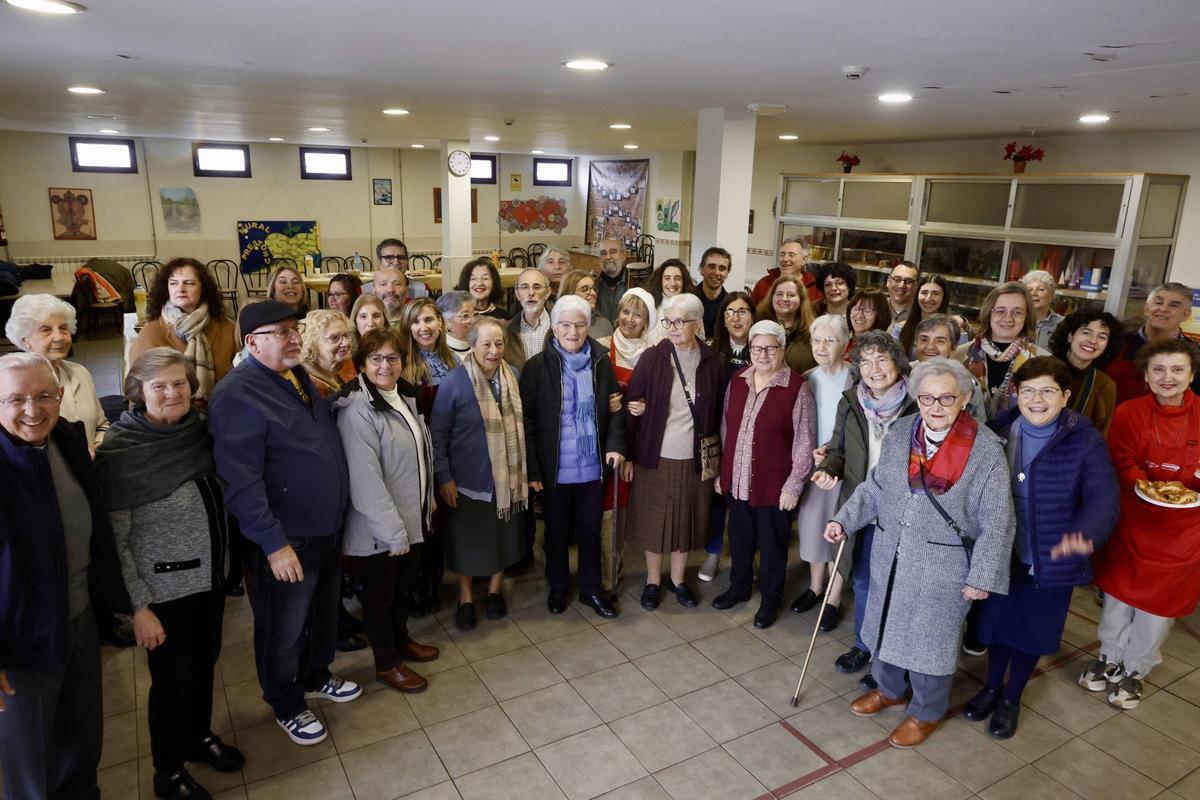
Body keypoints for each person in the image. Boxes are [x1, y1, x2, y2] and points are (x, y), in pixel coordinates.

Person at [827, 357, 1015, 748]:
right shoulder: (902, 433)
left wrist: (982, 577)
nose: (934, 407)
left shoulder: (984, 450)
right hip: (892, 550)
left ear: (964, 398)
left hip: (943, 563)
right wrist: (845, 520)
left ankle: (926, 712)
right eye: (926, 398)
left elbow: (998, 519)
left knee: (931, 640)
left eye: (946, 398)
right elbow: (877, 487)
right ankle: (889, 689)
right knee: (884, 624)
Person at [97, 348, 247, 799]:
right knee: (172, 683)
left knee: (205, 667)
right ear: (138, 394)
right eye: (159, 386)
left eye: (179, 383)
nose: (172, 392)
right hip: (163, 594)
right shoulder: (122, 453)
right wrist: (137, 608)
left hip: (211, 580)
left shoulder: (199, 433)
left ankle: (198, 737)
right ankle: (168, 770)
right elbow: (116, 541)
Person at [208, 301, 359, 746]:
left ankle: (316, 675)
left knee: (322, 612)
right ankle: (285, 701)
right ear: (252, 342)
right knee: (282, 627)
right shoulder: (236, 394)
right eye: (281, 332)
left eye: (295, 329)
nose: (295, 338)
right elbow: (240, 482)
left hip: (325, 525)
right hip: (287, 535)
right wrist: (274, 545)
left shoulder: (293, 375)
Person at [961, 356, 1118, 738]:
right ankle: (991, 687)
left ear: (1065, 396)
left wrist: (1085, 532)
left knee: (1030, 633)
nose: (1036, 400)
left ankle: (1012, 697)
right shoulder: (998, 428)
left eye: (1048, 391)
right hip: (1001, 551)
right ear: (1016, 393)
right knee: (997, 627)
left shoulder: (1084, 437)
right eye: (1028, 390)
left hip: (1049, 556)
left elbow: (1104, 497)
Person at [0, 352, 130, 800]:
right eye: (15, 399)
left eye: (44, 396)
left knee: (82, 739)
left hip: (79, 617)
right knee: (32, 762)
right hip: (21, 640)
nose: (32, 410)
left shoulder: (67, 442)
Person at [1083, 339, 1200, 710]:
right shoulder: (1129, 412)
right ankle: (1109, 656)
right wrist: (1149, 485)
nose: (1168, 378)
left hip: (1185, 532)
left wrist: (1184, 487)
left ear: (1191, 375)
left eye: (1177, 370)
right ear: (1147, 376)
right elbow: (1120, 459)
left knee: (1157, 608)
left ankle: (1135, 668)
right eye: (1159, 370)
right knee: (1118, 597)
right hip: (1134, 522)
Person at [334, 327, 441, 694]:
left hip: (409, 519)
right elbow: (367, 484)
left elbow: (418, 457)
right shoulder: (357, 411)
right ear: (362, 364)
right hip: (380, 529)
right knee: (379, 598)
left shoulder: (403, 397)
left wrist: (428, 501)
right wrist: (393, 534)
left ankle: (401, 641)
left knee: (401, 590)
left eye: (392, 357)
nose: (385, 365)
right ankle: (386, 662)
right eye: (376, 358)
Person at [810, 332, 917, 668]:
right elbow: (838, 450)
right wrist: (828, 468)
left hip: (905, 511)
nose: (874, 368)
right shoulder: (851, 401)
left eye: (881, 359)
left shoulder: (917, 403)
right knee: (863, 580)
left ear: (897, 364)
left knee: (899, 586)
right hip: (862, 505)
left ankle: (890, 659)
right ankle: (864, 646)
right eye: (866, 361)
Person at [521, 295, 627, 618]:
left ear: (587, 327)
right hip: (555, 469)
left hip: (592, 466)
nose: (573, 331)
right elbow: (526, 422)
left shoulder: (600, 360)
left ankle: (591, 589)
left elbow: (616, 408)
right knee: (555, 531)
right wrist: (534, 468)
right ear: (553, 328)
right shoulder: (537, 368)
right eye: (565, 324)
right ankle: (557, 586)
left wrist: (615, 444)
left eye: (579, 325)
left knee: (589, 530)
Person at [711, 320, 816, 628]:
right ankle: (739, 587)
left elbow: (804, 441)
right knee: (740, 538)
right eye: (756, 348)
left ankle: (770, 600)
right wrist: (722, 472)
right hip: (737, 479)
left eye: (770, 348)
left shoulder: (797, 387)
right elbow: (725, 428)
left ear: (782, 349)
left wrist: (793, 485)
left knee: (772, 547)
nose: (762, 354)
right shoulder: (738, 381)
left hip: (774, 485)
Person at [625, 293, 722, 609]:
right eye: (668, 321)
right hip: (655, 454)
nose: (673, 327)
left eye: (680, 321)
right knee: (655, 520)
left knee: (686, 519)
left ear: (696, 323)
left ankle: (679, 580)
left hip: (695, 457)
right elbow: (633, 402)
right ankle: (653, 580)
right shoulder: (653, 357)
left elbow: (719, 409)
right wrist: (634, 413)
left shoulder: (711, 361)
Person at [431, 317, 528, 631]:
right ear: (471, 347)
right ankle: (466, 597)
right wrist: (444, 477)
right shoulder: (454, 383)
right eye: (485, 343)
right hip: (468, 482)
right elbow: (439, 435)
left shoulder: (512, 376)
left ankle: (495, 590)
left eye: (498, 343)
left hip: (507, 481)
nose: (493, 350)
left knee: (502, 537)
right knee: (467, 543)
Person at [398, 299, 460, 617]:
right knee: (420, 524)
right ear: (407, 328)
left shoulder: (452, 362)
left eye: (430, 319)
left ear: (441, 323)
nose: (424, 327)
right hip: (417, 458)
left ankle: (433, 583)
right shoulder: (403, 368)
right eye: (417, 322)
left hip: (447, 453)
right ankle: (416, 587)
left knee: (439, 526)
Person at [792, 314, 853, 628]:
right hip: (814, 467)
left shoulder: (857, 379)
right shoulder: (807, 378)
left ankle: (833, 596)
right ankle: (815, 586)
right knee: (813, 526)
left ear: (844, 343)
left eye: (830, 340)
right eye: (817, 340)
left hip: (846, 469)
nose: (822, 346)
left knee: (839, 530)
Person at [599, 288, 656, 597]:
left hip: (641, 443)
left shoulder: (655, 353)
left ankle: (619, 562)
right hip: (607, 441)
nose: (629, 319)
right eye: (625, 312)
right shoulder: (601, 348)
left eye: (638, 314)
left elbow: (664, 399)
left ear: (647, 320)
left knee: (625, 508)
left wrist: (647, 407)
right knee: (607, 507)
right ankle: (607, 574)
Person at [699, 290, 757, 583]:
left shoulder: (761, 352)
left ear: (753, 317)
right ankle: (713, 552)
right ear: (722, 318)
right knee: (718, 499)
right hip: (717, 437)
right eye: (730, 312)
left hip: (751, 439)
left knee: (746, 500)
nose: (736, 318)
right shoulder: (711, 353)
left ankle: (744, 555)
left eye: (743, 311)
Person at [5, 294, 110, 453]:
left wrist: (97, 446)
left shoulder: (80, 373)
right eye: (46, 330)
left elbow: (101, 425)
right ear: (25, 339)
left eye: (63, 328)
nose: (59, 337)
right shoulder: (12, 386)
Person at [130, 257, 240, 401]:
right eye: (174, 283)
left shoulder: (227, 327)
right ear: (166, 288)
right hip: (172, 415)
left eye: (189, 283)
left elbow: (243, 375)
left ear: (203, 288)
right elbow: (136, 391)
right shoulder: (151, 332)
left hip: (223, 407)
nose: (180, 289)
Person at [957, 281, 1045, 419]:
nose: (1008, 318)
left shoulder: (1042, 361)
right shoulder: (960, 356)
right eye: (1000, 311)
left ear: (1027, 316)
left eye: (1017, 312)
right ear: (989, 313)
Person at [1105, 282, 1200, 404]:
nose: (1163, 309)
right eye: (1158, 302)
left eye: (1174, 305)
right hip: (1112, 419)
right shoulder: (1117, 341)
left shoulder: (1194, 354)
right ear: (1146, 308)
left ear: (1186, 315)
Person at [1047, 309, 1123, 434]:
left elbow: (1099, 436)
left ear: (1107, 346)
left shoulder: (1105, 385)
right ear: (1070, 336)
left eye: (1102, 337)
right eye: (1086, 332)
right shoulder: (1040, 367)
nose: (1093, 341)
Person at [915, 315, 987, 422]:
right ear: (915, 343)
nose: (930, 346)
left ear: (953, 348)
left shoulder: (967, 385)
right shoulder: (903, 376)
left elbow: (979, 430)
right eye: (924, 339)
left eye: (940, 341)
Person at [757, 275, 816, 373]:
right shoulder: (758, 327)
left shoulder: (812, 333)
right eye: (779, 294)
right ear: (772, 297)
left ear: (801, 300)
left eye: (791, 295)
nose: (784, 299)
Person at [898, 274, 967, 353]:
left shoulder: (956, 331)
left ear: (944, 298)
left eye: (935, 293)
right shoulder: (900, 328)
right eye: (924, 292)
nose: (928, 298)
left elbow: (961, 361)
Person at [300, 309, 356, 398]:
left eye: (346, 335)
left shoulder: (346, 362)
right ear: (312, 345)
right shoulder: (304, 382)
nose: (346, 343)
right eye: (334, 338)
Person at [505, 267, 552, 369]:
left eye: (537, 287)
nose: (531, 293)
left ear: (547, 293)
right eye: (524, 287)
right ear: (517, 294)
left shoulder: (560, 327)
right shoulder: (505, 331)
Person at [751, 237, 818, 306]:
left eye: (791, 255)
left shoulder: (813, 287)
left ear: (804, 259)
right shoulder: (764, 283)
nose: (785, 259)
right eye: (782, 255)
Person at [646, 258, 695, 345]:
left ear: (684, 282)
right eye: (667, 278)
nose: (672, 283)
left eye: (677, 278)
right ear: (660, 281)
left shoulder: (693, 308)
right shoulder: (650, 305)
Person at [561, 269, 615, 339]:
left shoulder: (604, 325)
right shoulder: (558, 325)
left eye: (594, 289)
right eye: (584, 289)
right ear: (569, 294)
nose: (593, 293)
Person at [693, 247, 732, 339]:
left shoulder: (731, 304)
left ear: (727, 273)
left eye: (722, 268)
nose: (717, 272)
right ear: (701, 269)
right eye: (712, 266)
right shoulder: (688, 299)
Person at [1021, 270, 1065, 350]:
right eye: (1029, 289)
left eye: (1040, 289)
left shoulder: (1063, 324)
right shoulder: (1016, 320)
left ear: (1051, 296)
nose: (1034, 293)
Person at [595, 238, 629, 325]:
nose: (608, 257)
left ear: (623, 255)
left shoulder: (635, 287)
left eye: (613, 252)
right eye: (603, 253)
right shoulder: (593, 287)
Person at [437, 291, 476, 356]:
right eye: (465, 316)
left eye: (475, 314)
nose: (473, 321)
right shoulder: (440, 355)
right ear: (445, 322)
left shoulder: (480, 346)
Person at [884, 261, 920, 329]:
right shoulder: (876, 308)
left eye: (908, 281)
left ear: (917, 286)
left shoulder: (921, 314)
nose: (901, 285)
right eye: (897, 279)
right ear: (888, 281)